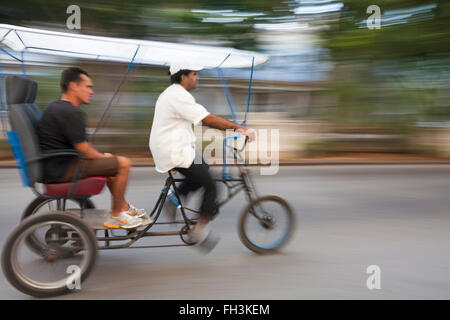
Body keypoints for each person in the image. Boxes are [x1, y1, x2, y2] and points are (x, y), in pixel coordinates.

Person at [149, 60, 255, 249]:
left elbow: (201, 120)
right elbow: (207, 119)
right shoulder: (178, 95)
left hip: (176, 148)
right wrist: (239, 128)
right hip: (174, 151)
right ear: (184, 77)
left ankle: (174, 199)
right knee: (213, 186)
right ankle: (198, 232)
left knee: (203, 166)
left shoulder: (174, 94)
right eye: (195, 74)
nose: (198, 77)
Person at [37, 67, 149, 229]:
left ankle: (123, 207)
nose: (91, 92)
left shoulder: (56, 106)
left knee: (111, 163)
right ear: (74, 86)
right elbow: (84, 149)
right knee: (123, 163)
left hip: (56, 165)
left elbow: (80, 148)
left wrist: (104, 158)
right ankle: (117, 215)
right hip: (61, 170)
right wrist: (103, 158)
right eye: (88, 87)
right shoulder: (70, 112)